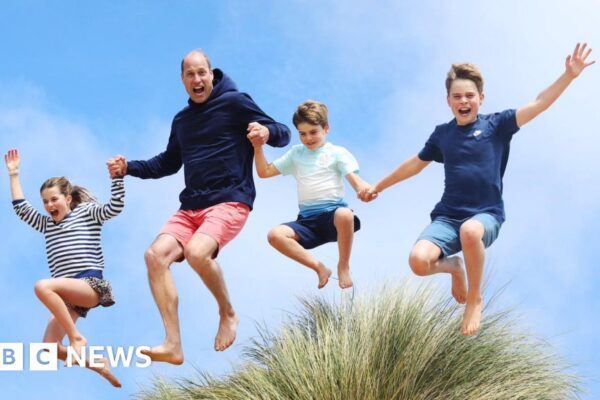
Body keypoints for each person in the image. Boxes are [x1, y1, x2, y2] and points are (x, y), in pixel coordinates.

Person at [359, 43, 595, 336]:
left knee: (470, 231)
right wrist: (378, 186)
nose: (464, 101)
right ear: (448, 101)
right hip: (447, 218)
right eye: (457, 96)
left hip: (486, 215)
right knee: (418, 262)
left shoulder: (497, 125)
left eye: (469, 95)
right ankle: (455, 267)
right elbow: (415, 164)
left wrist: (568, 77)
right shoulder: (442, 134)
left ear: (480, 98)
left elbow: (539, 103)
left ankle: (475, 298)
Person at [108, 49, 290, 363]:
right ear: (182, 80)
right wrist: (129, 168)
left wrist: (266, 131)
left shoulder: (235, 103)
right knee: (154, 256)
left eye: (201, 72)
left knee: (196, 252)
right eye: (190, 74)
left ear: (211, 73)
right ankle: (173, 344)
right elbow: (167, 163)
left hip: (230, 199)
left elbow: (283, 134)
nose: (197, 79)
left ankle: (227, 313)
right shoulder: (182, 121)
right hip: (191, 207)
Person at [5, 149, 124, 387]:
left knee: (42, 287)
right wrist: (14, 174)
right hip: (69, 296)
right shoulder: (47, 224)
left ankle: (76, 337)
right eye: (45, 201)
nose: (49, 205)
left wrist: (118, 179)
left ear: (68, 199)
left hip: (90, 285)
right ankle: (96, 364)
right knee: (49, 350)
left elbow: (114, 208)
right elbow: (21, 208)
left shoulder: (86, 213)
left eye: (54, 199)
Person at [252, 100, 369, 289]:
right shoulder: (296, 154)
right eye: (302, 134)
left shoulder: (337, 152)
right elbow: (264, 172)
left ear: (326, 129)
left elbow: (355, 180)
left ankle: (343, 266)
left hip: (333, 218)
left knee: (345, 213)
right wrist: (258, 148)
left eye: (313, 132)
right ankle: (319, 268)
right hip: (308, 223)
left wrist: (362, 189)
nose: (308, 138)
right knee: (275, 235)